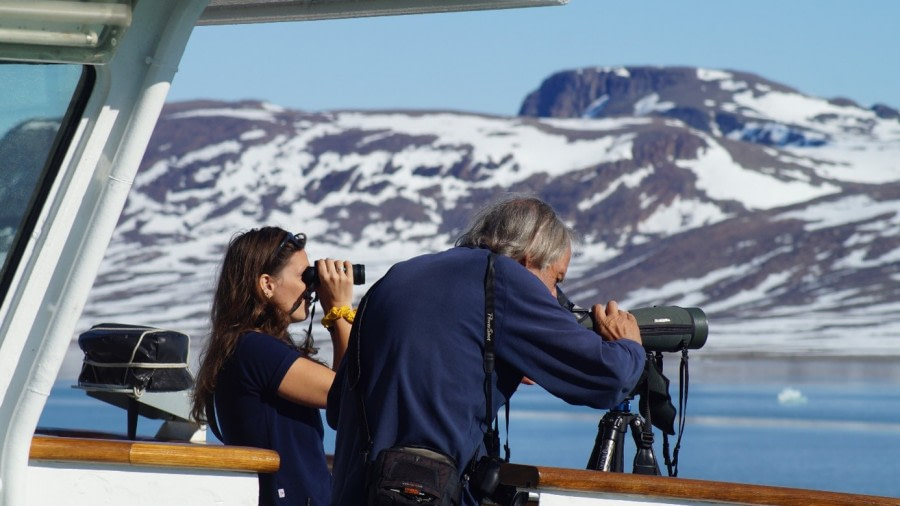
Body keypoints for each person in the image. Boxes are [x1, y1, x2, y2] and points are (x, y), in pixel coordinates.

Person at [326, 196, 646, 505]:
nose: (553, 297)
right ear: (527, 259)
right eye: (555, 279)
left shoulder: (397, 277)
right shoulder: (504, 278)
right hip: (424, 494)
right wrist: (628, 344)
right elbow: (609, 379)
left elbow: (337, 408)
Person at [190, 226, 356, 506]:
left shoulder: (249, 347)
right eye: (304, 277)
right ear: (267, 284)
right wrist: (339, 309)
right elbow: (346, 391)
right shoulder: (255, 349)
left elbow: (344, 393)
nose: (312, 287)